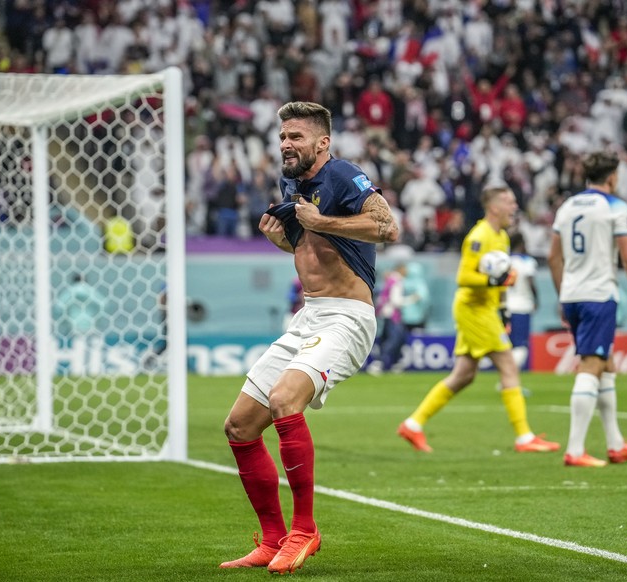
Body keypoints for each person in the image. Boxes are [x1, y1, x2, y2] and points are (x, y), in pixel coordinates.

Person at [220, 101, 398, 574]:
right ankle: (273, 538)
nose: (285, 144)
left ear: (322, 142)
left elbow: (387, 226)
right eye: (282, 136)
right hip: (309, 316)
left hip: (348, 318)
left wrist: (323, 223)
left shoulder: (342, 175)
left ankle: (305, 531)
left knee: (284, 400)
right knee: (239, 426)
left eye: (296, 137)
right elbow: (312, 250)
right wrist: (287, 240)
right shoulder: (293, 184)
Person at [397, 185, 559, 454]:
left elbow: (502, 280)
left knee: (463, 376)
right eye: (509, 202)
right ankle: (523, 437)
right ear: (494, 207)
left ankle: (413, 425)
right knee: (508, 365)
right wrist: (494, 279)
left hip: (487, 309)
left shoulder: (503, 237)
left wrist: (504, 309)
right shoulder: (480, 236)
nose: (514, 207)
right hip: (474, 309)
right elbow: (463, 277)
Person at [548, 151, 627, 468]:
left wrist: (563, 294)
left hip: (574, 295)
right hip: (598, 295)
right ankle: (575, 449)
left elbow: (554, 257)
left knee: (606, 363)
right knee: (591, 365)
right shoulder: (614, 206)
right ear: (612, 177)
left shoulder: (567, 207)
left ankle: (615, 444)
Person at [506, 232, 539, 370]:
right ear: (521, 244)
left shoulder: (504, 261)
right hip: (522, 306)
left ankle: (507, 380)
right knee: (521, 346)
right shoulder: (528, 262)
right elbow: (530, 282)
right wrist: (536, 299)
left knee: (509, 345)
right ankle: (509, 380)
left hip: (506, 306)